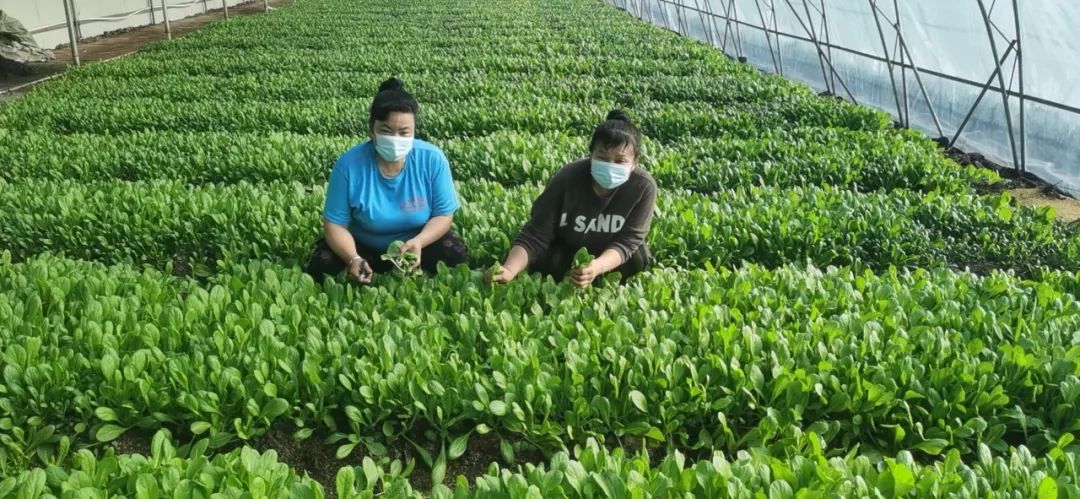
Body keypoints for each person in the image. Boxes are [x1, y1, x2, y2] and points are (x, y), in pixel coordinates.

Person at [306, 78, 467, 284]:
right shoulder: (348, 166)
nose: (395, 139)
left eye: (404, 132)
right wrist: (352, 258)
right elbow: (334, 224)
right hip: (363, 245)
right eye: (386, 131)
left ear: (414, 131)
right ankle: (362, 268)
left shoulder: (432, 159)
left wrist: (419, 241)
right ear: (371, 130)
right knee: (323, 264)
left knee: (454, 255)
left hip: (416, 244)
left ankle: (412, 264)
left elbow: (443, 215)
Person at [486, 110, 657, 288]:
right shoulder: (567, 178)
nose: (610, 166)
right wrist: (510, 269)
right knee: (549, 263)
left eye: (620, 161)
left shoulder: (643, 187)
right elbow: (536, 233)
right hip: (569, 244)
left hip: (611, 250)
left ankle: (599, 276)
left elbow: (628, 241)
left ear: (634, 162)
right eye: (602, 157)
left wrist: (597, 267)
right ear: (591, 155)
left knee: (637, 260)